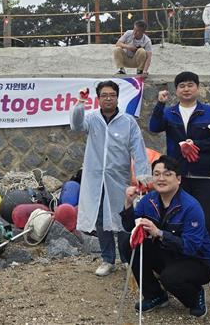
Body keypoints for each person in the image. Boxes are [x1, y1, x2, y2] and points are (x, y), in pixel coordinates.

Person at [148, 71, 210, 289]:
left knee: (209, 221)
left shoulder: (209, 112)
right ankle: (182, 263)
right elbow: (154, 127)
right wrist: (159, 105)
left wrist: (196, 145)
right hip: (177, 177)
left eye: (190, 85)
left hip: (204, 175)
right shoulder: (170, 112)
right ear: (176, 90)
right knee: (177, 221)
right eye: (182, 85)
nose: (186, 89)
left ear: (197, 88)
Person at [70, 80, 150, 276]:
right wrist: (80, 103)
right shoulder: (92, 119)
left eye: (112, 95)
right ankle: (107, 259)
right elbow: (76, 125)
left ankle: (126, 258)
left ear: (117, 98)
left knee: (123, 218)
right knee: (100, 218)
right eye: (104, 95)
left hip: (119, 178)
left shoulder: (128, 122)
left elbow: (138, 150)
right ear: (98, 98)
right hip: (95, 178)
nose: (108, 99)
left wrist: (143, 176)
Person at [121, 155, 210, 318]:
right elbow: (130, 227)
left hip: (198, 260)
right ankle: (155, 295)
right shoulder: (149, 200)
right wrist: (128, 203)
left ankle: (195, 296)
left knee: (170, 278)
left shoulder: (191, 206)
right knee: (128, 243)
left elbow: (191, 247)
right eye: (157, 174)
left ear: (178, 179)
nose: (161, 178)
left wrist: (158, 233)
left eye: (167, 174)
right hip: (169, 252)